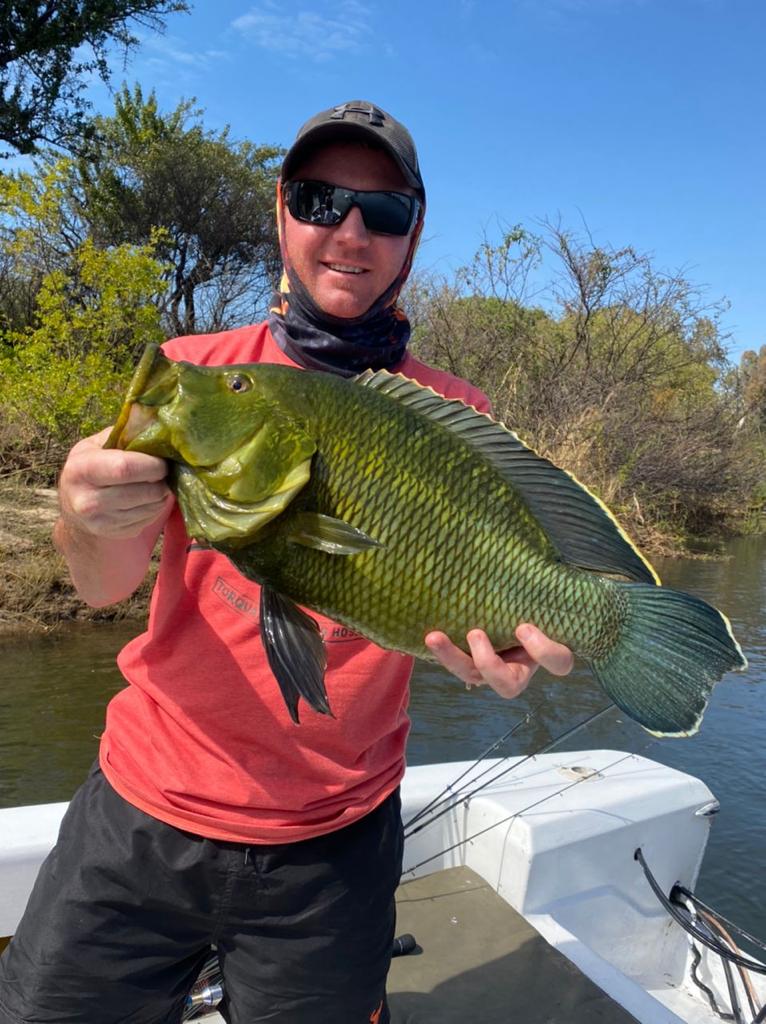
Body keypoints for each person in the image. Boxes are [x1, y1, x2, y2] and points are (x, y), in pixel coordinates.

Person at [0, 100, 573, 1024]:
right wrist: (85, 518)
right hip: (144, 812)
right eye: (320, 199)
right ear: (281, 212)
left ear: (412, 236)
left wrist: (506, 655)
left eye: (382, 212)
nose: (349, 231)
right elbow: (101, 585)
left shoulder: (453, 412)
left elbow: (462, 605)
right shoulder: (200, 374)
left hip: (336, 845)